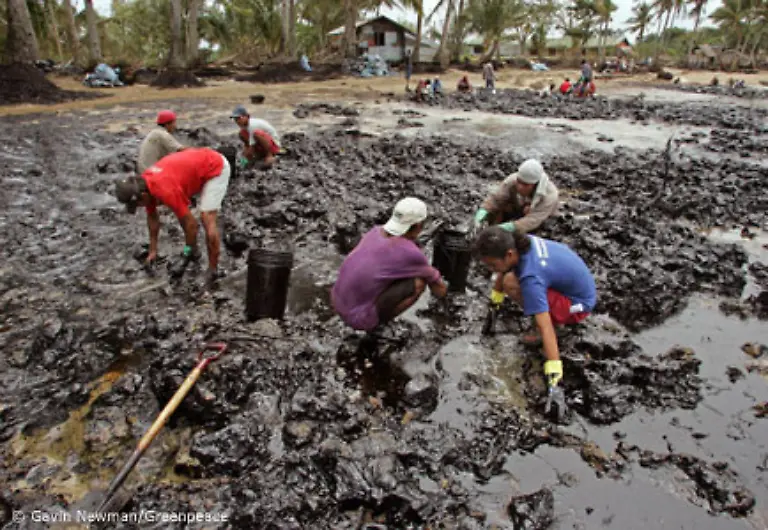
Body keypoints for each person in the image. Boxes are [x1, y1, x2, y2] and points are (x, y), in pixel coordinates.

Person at [472, 226, 597, 399]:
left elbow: (544, 325)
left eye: (493, 264)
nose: (492, 269)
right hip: (568, 286)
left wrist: (554, 374)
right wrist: (495, 303)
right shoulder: (519, 243)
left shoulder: (531, 277)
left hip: (577, 305)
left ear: (508, 254)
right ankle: (550, 312)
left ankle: (559, 324)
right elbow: (503, 270)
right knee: (509, 278)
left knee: (513, 285)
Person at [115, 148, 231, 285]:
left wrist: (186, 252)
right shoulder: (144, 183)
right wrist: (153, 250)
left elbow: (192, 224)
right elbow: (152, 218)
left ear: (143, 196)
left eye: (138, 205)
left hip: (216, 167)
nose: (140, 208)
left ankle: (213, 269)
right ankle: (194, 250)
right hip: (196, 165)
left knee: (207, 217)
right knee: (182, 214)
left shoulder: (165, 190)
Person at [331, 197, 448, 334]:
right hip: (357, 318)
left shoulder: (375, 232)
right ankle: (376, 325)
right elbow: (440, 290)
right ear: (418, 226)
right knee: (419, 282)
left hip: (336, 301)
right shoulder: (410, 254)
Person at [230, 105, 281, 169]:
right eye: (235, 119)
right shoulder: (245, 127)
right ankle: (260, 155)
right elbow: (247, 146)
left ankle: (269, 155)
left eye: (239, 118)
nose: (237, 121)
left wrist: (245, 160)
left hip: (274, 146)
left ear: (247, 116)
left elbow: (251, 147)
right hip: (263, 146)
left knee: (256, 134)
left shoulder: (252, 125)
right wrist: (243, 161)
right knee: (242, 133)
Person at [137, 110, 186, 174]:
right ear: (167, 124)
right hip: (152, 172)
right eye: (174, 123)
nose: (175, 126)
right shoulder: (162, 134)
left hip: (144, 170)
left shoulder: (155, 132)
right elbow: (182, 150)